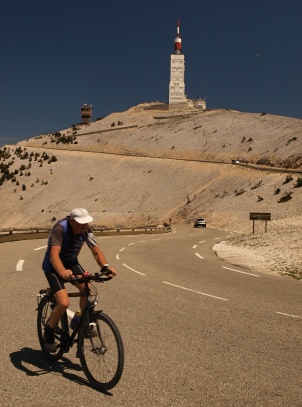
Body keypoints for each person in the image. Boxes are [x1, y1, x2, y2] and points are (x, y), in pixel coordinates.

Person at [42, 208, 116, 352]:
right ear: (72, 221)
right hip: (53, 266)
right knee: (63, 303)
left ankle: (78, 322)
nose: (84, 227)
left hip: (71, 262)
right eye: (81, 224)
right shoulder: (60, 228)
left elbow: (95, 250)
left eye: (86, 223)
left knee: (88, 289)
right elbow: (54, 255)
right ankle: (48, 332)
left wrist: (105, 267)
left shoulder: (86, 229)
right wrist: (63, 273)